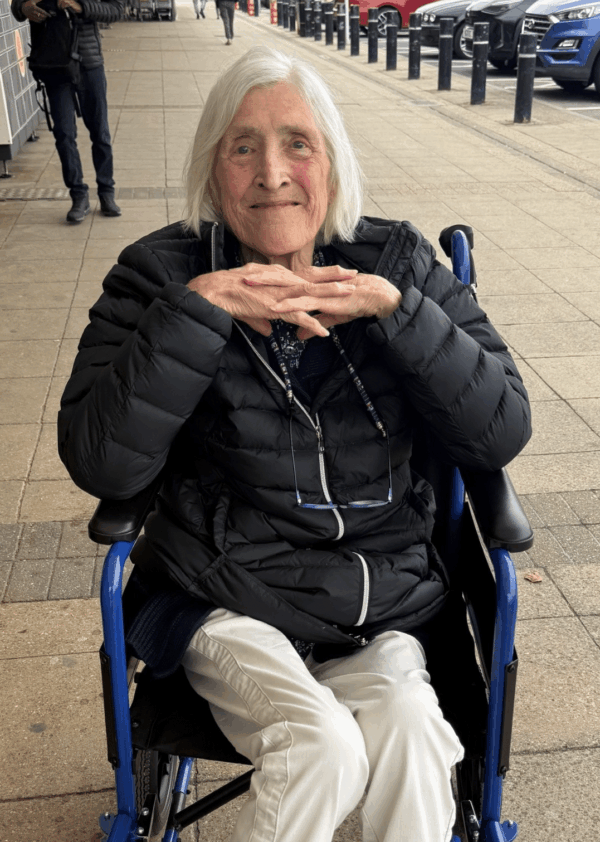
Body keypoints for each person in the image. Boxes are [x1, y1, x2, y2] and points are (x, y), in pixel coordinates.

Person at [58, 47, 531, 842]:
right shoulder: (156, 277)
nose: (272, 173)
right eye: (243, 147)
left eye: (297, 144)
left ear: (333, 164)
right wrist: (195, 314)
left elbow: (501, 426)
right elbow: (100, 459)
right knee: (319, 747)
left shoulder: (399, 264)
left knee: (416, 735)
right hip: (223, 598)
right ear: (213, 172)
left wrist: (399, 314)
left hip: (383, 603)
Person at [11, 0, 123, 224]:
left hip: (89, 63)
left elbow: (116, 10)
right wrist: (24, 8)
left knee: (100, 131)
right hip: (54, 64)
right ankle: (78, 195)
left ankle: (106, 192)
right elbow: (16, 7)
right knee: (63, 134)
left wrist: (81, 6)